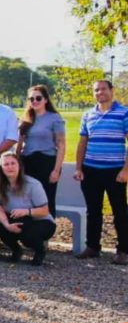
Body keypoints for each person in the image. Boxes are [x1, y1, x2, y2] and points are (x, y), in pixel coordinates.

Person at [74, 80, 128, 263]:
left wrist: (126, 170)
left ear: (112, 91)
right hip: (90, 171)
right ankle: (93, 247)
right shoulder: (88, 114)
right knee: (93, 210)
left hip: (115, 171)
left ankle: (123, 250)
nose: (100, 92)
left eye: (103, 89)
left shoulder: (124, 113)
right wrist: (78, 168)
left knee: (120, 211)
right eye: (96, 90)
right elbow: (82, 143)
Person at [0, 152, 57, 266]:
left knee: (27, 235)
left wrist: (26, 211)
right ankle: (16, 250)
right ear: (1, 168)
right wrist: (6, 224)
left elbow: (45, 211)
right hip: (17, 219)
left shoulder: (33, 184)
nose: (10, 167)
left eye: (13, 163)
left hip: (40, 220)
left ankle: (40, 251)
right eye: (6, 164)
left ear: (19, 165)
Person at [17, 85, 65, 218]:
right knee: (28, 200)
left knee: (46, 198)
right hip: (27, 163)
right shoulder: (26, 119)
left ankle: (45, 234)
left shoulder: (54, 118)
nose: (34, 101)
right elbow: (19, 145)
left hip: (47, 162)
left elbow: (61, 144)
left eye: (38, 98)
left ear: (45, 100)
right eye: (31, 99)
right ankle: (30, 235)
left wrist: (56, 170)